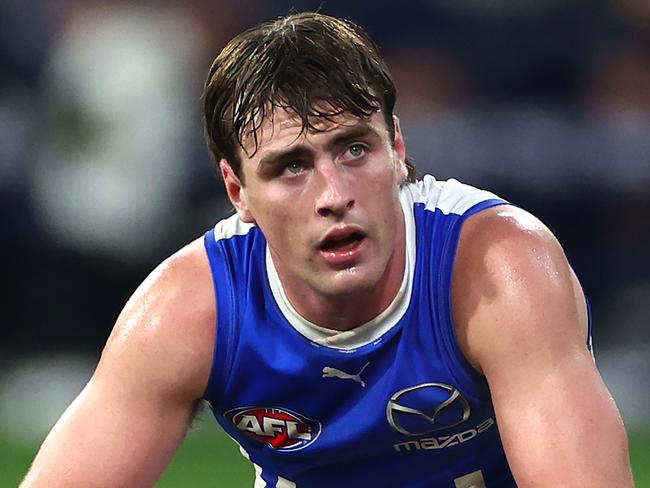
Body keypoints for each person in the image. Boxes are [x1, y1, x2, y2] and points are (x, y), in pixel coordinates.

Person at [21, 12, 634, 488]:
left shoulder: (498, 270)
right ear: (237, 190)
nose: (334, 195)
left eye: (353, 149)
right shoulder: (191, 311)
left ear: (396, 146)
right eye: (291, 167)